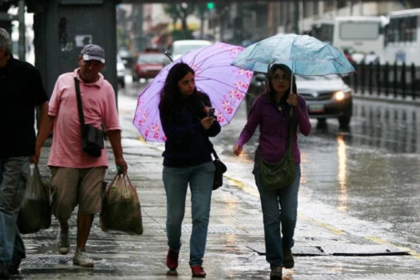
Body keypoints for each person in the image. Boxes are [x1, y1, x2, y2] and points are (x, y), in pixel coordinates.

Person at [34, 44, 128, 268]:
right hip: (63, 157)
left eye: (96, 63)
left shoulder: (106, 88)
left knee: (89, 206)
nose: (91, 67)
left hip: (94, 159)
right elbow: (50, 115)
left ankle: (81, 250)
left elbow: (113, 127)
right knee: (62, 204)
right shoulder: (63, 81)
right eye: (88, 62)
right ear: (79, 60)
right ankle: (64, 226)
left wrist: (119, 157)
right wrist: (37, 146)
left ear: (102, 65)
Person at [233, 64, 311, 280]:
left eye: (285, 77)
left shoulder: (298, 101)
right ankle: (275, 264)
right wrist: (240, 143)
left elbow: (306, 130)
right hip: (265, 167)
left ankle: (287, 246)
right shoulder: (261, 102)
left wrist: (296, 107)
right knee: (270, 218)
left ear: (291, 80)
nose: (280, 81)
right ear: (269, 80)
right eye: (276, 77)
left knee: (289, 215)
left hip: (289, 167)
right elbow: (249, 127)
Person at [158, 63, 221, 278]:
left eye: (193, 81)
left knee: (201, 216)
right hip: (175, 166)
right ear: (176, 84)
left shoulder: (201, 100)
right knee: (175, 219)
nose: (191, 86)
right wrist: (198, 127)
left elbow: (214, 131)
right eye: (185, 82)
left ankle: (196, 262)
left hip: (203, 165)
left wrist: (210, 119)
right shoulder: (167, 104)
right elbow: (172, 134)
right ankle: (174, 247)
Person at [0, 28, 49, 278]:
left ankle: (3, 260)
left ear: (3, 50)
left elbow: (44, 106)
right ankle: (16, 251)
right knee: (3, 207)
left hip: (18, 151)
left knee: (5, 206)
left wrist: (39, 143)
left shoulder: (26, 73)